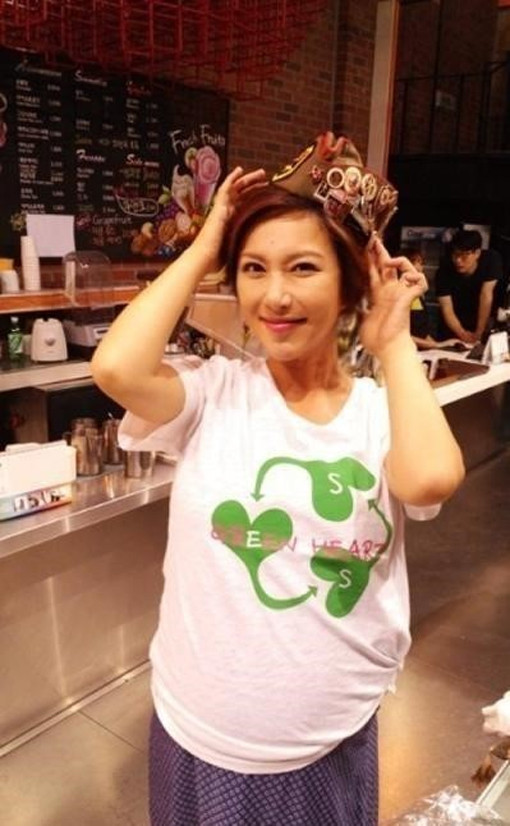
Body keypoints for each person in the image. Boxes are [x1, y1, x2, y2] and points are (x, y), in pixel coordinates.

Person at [92, 132, 465, 826]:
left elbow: (429, 481)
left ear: (349, 283)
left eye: (303, 268)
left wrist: (393, 342)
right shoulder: (213, 391)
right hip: (195, 728)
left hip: (323, 745)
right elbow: (115, 368)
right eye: (254, 269)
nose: (275, 295)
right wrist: (205, 247)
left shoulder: (379, 413)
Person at [435, 228, 503, 343]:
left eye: (464, 255)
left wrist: (479, 332)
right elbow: (446, 308)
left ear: (477, 253)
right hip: (453, 325)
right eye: (455, 254)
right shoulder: (443, 271)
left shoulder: (491, 260)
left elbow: (486, 295)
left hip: (481, 319)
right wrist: (462, 333)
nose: (458, 260)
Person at [399, 247, 469, 351]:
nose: (418, 267)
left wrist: (441, 346)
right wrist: (436, 345)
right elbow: (400, 335)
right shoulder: (397, 295)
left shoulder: (417, 295)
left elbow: (421, 332)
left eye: (421, 263)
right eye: (413, 262)